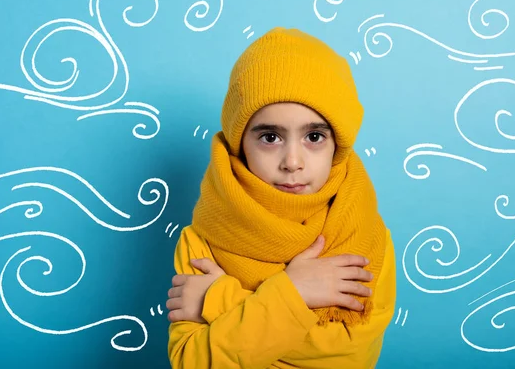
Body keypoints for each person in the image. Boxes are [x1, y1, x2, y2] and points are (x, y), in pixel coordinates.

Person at [166, 27, 396, 368]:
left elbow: (348, 355)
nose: (292, 162)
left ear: (338, 145)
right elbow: (192, 361)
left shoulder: (365, 235)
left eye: (314, 136)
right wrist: (296, 293)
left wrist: (221, 300)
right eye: (270, 137)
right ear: (239, 142)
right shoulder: (203, 237)